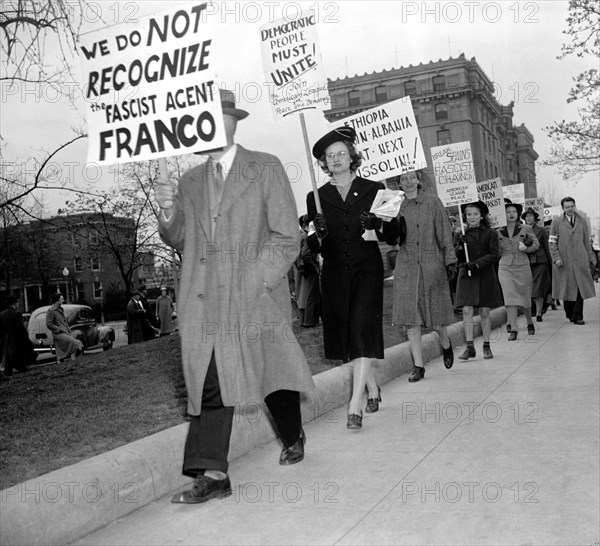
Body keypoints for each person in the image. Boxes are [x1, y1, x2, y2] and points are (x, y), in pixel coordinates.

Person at [154, 89, 314, 504]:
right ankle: (213, 474)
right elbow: (179, 237)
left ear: (233, 121)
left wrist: (257, 278)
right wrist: (168, 210)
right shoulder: (189, 181)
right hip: (205, 300)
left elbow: (286, 235)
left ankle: (292, 434)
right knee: (210, 381)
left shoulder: (265, 167)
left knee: (271, 374)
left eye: (216, 116)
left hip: (254, 294)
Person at [306, 126, 396, 430]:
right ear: (324, 163)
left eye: (340, 153)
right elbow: (314, 247)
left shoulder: (375, 189)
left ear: (352, 156)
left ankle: (354, 405)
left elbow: (395, 234)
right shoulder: (316, 197)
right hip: (334, 275)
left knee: (362, 327)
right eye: (329, 156)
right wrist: (317, 232)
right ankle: (371, 387)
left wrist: (377, 224)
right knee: (351, 335)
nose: (335, 159)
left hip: (366, 270)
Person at [388, 170, 457, 382]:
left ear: (419, 180)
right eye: (403, 179)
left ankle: (445, 343)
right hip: (406, 267)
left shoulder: (433, 202)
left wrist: (450, 260)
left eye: (412, 177)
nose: (408, 182)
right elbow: (389, 237)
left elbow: (444, 232)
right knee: (411, 319)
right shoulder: (394, 205)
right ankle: (418, 365)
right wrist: (387, 222)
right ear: (398, 182)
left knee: (437, 319)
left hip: (431, 264)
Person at [454, 201, 502, 360]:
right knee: (467, 310)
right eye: (469, 214)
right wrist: (460, 245)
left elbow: (495, 254)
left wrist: (476, 264)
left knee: (484, 311)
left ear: (482, 216)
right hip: (466, 274)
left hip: (484, 274)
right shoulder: (461, 234)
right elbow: (456, 256)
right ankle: (469, 347)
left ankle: (487, 345)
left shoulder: (491, 233)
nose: (472, 217)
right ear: (465, 217)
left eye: (475, 214)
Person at [549, 196, 597, 325]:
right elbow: (552, 243)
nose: (570, 209)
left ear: (575, 206)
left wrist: (591, 258)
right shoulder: (557, 222)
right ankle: (570, 313)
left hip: (581, 259)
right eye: (567, 207)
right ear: (563, 208)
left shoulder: (582, 221)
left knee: (580, 288)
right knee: (567, 288)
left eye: (571, 206)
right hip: (564, 261)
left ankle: (578, 316)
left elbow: (586, 241)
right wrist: (556, 258)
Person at [497, 201, 539, 340]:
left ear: (518, 214)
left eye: (514, 211)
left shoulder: (525, 228)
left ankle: (529, 322)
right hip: (505, 267)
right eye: (508, 212)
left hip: (522, 266)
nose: (511, 214)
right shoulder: (497, 231)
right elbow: (496, 251)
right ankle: (513, 329)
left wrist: (526, 248)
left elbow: (536, 244)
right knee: (510, 298)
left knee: (525, 296)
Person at [522, 207, 552, 322]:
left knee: (539, 288)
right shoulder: (521, 230)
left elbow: (546, 246)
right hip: (527, 262)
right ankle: (536, 308)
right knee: (530, 288)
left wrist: (550, 263)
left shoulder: (542, 230)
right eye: (527, 216)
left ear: (535, 218)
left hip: (540, 261)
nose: (529, 218)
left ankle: (539, 313)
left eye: (531, 216)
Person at [0, 296, 37, 375]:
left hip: (6, 341)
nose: (18, 305)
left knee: (8, 362)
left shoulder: (2, 315)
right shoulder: (17, 314)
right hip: (16, 340)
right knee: (20, 360)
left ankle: (8, 372)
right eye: (17, 303)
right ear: (14, 304)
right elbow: (20, 328)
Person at [295, 215, 321, 328]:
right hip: (309, 268)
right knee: (312, 295)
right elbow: (305, 253)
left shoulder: (301, 236)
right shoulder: (306, 236)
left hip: (304, 267)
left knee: (313, 294)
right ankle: (309, 321)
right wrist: (313, 264)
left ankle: (312, 320)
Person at [45, 293, 83, 362]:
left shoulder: (61, 309)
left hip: (65, 332)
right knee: (74, 343)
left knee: (61, 352)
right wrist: (58, 329)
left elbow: (64, 321)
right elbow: (48, 324)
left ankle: (70, 361)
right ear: (57, 300)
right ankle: (72, 360)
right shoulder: (51, 310)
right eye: (61, 299)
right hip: (58, 334)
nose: (63, 300)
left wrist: (68, 329)